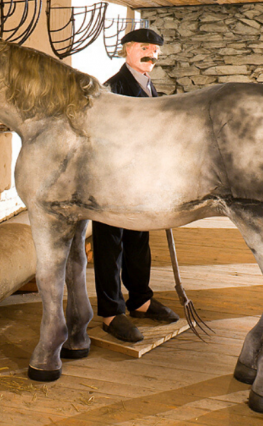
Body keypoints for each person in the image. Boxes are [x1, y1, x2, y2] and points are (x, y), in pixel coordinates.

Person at [93, 28, 180, 343]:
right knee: (109, 247)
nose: (151, 55)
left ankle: (140, 300)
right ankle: (111, 312)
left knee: (138, 243)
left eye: (155, 50)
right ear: (128, 49)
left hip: (140, 182)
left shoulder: (148, 85)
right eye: (144, 48)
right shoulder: (112, 88)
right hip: (111, 183)